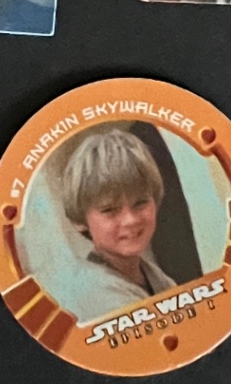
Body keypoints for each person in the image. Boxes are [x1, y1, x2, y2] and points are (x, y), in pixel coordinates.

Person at [57, 127, 177, 301]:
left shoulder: (153, 275)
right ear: (79, 220)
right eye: (109, 210)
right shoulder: (97, 294)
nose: (130, 220)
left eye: (140, 203)